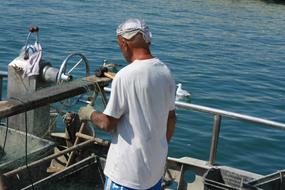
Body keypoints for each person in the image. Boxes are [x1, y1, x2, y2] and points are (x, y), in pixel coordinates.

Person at [79, 18, 176, 190]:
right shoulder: (165, 71)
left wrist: (89, 113)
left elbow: (107, 123)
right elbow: (171, 119)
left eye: (119, 45)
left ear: (124, 42)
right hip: (154, 173)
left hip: (126, 176)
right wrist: (158, 147)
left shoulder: (125, 76)